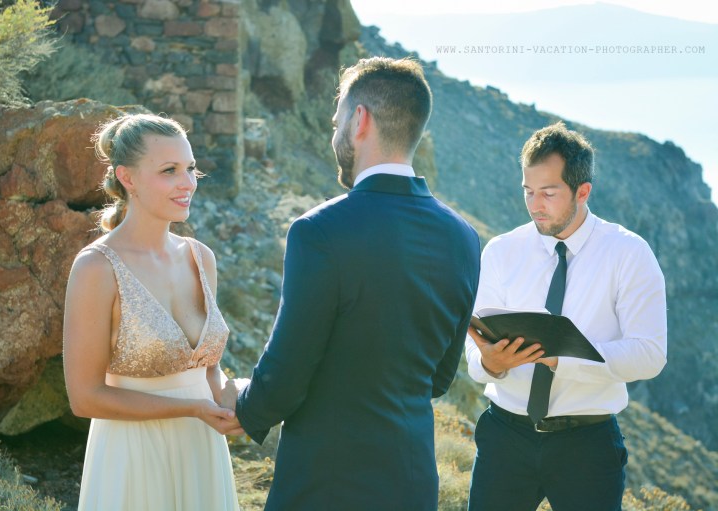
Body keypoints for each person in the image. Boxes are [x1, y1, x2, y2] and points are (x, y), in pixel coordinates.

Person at [220, 57, 481, 510]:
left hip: (326, 482)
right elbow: (439, 378)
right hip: (412, 482)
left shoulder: (320, 231)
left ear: (360, 120)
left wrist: (244, 406)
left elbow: (288, 370)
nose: (334, 133)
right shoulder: (464, 237)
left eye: (336, 120)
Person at [465, 121, 667, 511]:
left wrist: (562, 358)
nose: (534, 205)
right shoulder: (500, 251)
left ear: (583, 191)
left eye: (548, 193)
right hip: (504, 437)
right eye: (528, 191)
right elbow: (474, 351)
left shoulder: (629, 253)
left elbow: (650, 354)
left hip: (586, 447)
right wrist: (488, 363)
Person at [63, 113, 241, 511]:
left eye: (191, 168)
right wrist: (192, 408)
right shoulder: (97, 267)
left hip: (202, 451)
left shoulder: (200, 258)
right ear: (127, 178)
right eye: (169, 171)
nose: (188, 183)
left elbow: (208, 369)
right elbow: (85, 397)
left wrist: (232, 398)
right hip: (134, 458)